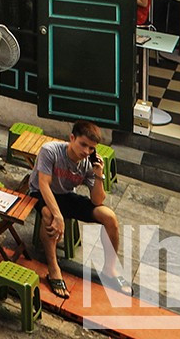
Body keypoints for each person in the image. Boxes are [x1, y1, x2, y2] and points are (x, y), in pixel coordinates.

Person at [29, 120, 126, 296]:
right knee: (48, 214)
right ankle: (53, 268)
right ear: (72, 138)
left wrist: (98, 175)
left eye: (91, 148)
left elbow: (97, 201)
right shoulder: (50, 151)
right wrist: (58, 216)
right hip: (41, 193)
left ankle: (109, 269)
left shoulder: (88, 163)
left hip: (66, 195)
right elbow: (43, 184)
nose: (86, 151)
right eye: (83, 145)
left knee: (109, 216)